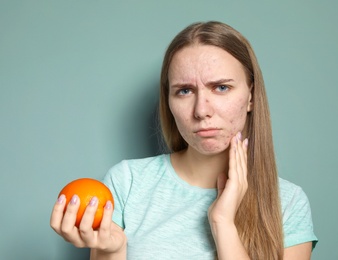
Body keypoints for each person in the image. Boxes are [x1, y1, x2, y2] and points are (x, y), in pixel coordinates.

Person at [51, 21, 318, 259]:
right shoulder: (127, 182)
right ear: (168, 101)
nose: (201, 110)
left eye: (221, 87)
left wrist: (222, 222)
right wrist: (112, 250)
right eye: (185, 91)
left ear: (251, 95)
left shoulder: (289, 203)